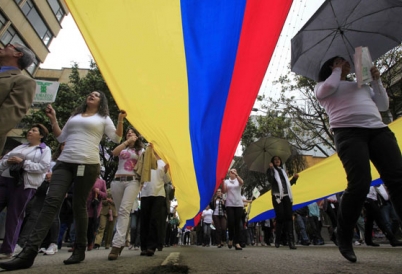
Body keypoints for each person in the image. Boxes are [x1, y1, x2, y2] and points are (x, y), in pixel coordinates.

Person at [0, 91, 124, 271]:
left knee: (79, 205)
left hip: (87, 164)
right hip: (64, 162)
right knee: (51, 201)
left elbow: (116, 138)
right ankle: (27, 253)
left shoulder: (103, 118)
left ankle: (79, 249)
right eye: (90, 94)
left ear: (101, 101)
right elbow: (61, 137)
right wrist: (53, 119)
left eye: (96, 95)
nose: (91, 95)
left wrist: (120, 119)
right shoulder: (75, 116)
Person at [315, 56, 402, 263]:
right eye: (339, 61)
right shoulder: (322, 87)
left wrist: (376, 81)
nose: (345, 63)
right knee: (360, 184)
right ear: (330, 66)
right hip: (348, 133)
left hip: (378, 130)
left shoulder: (359, 85)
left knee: (398, 180)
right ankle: (344, 235)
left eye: (345, 62)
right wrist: (336, 70)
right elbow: (328, 88)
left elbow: (382, 105)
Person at [0, 124, 51, 259]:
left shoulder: (44, 150)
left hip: (24, 184)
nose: (29, 132)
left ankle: (7, 249)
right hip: (5, 180)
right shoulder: (20, 147)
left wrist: (23, 163)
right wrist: (8, 162)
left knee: (14, 216)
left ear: (41, 135)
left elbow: (43, 167)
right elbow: (3, 160)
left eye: (34, 130)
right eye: (29, 130)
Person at [107, 127, 144, 260]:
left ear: (137, 136)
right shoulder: (123, 148)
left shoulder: (141, 150)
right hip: (117, 181)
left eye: (132, 132)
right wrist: (127, 142)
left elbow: (145, 168)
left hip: (133, 181)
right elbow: (114, 153)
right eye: (128, 132)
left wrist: (142, 184)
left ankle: (116, 245)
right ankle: (122, 240)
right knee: (120, 212)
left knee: (124, 211)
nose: (129, 133)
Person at [0, 43, 36, 155]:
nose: (2, 47)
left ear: (18, 54)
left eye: (8, 45)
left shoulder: (24, 81)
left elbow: (8, 117)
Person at [139, 151, 170, 256]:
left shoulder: (164, 162)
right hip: (145, 193)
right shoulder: (145, 157)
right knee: (144, 220)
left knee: (154, 219)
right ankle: (143, 246)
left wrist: (166, 171)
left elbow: (167, 180)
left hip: (159, 194)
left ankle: (151, 247)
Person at [266, 156, 299, 250]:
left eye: (279, 159)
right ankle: (277, 240)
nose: (277, 161)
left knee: (289, 217)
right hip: (277, 196)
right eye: (275, 159)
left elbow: (287, 185)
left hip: (286, 196)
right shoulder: (270, 171)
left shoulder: (283, 171)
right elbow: (271, 180)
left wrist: (294, 179)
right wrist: (271, 169)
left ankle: (291, 241)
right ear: (272, 161)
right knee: (280, 218)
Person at [221, 168, 244, 250]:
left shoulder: (238, 180)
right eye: (231, 172)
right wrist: (223, 181)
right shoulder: (227, 181)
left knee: (238, 224)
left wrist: (237, 175)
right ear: (229, 174)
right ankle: (230, 239)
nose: (232, 173)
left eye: (234, 172)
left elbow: (242, 182)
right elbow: (223, 191)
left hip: (238, 204)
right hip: (229, 204)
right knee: (231, 222)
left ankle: (237, 242)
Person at [86, 177, 107, 251]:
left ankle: (90, 243)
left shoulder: (101, 182)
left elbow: (105, 195)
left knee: (91, 226)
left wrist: (99, 192)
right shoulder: (85, 179)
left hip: (94, 207)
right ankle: (77, 244)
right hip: (84, 205)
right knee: (79, 225)